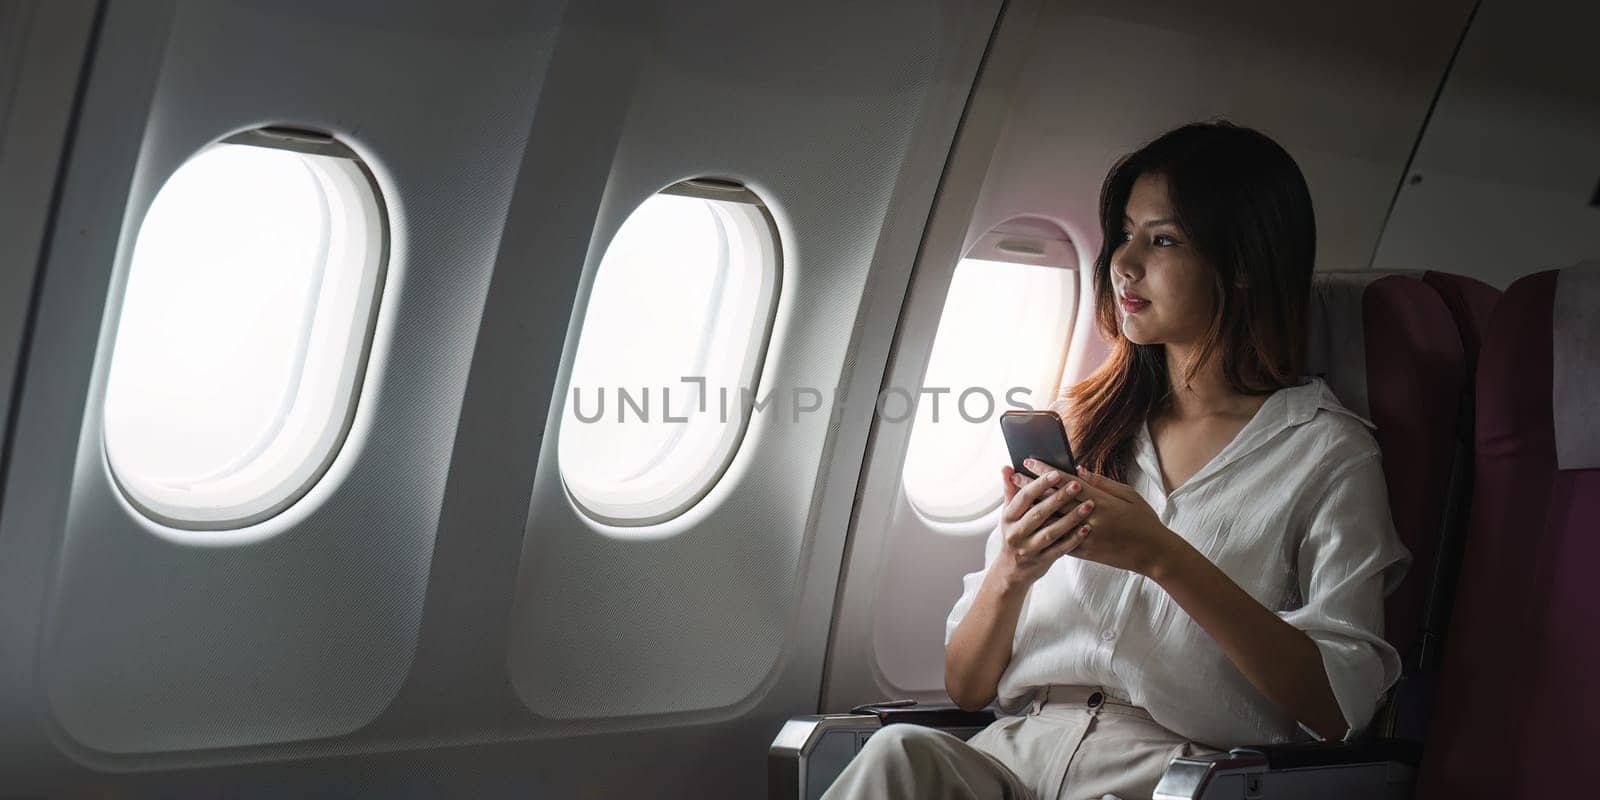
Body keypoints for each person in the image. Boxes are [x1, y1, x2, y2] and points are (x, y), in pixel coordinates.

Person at [822, 121, 1410, 800]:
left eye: (1162, 241)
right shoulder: (1086, 425)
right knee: (900, 755)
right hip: (1016, 754)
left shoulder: (1327, 453)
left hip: (1176, 778)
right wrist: (1013, 567)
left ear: (1244, 262)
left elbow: (1339, 710)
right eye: (1124, 235)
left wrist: (1162, 556)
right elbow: (967, 686)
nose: (1123, 264)